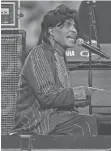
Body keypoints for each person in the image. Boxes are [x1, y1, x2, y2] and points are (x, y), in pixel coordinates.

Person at [12, 4, 98, 136]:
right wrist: (82, 93)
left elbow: (59, 97)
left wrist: (84, 99)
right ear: (51, 31)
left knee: (96, 120)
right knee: (86, 123)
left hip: (54, 117)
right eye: (67, 25)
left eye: (74, 26)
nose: (74, 30)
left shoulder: (59, 56)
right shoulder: (39, 53)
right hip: (37, 122)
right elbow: (47, 96)